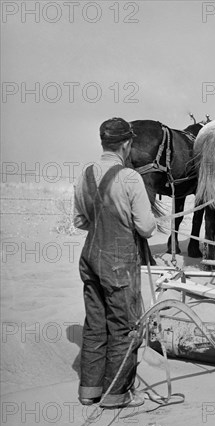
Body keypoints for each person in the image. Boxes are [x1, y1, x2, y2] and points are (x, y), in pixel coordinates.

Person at [73, 117, 156, 408]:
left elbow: (79, 220)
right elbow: (146, 227)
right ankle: (117, 395)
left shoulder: (84, 175)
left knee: (95, 324)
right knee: (124, 327)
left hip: (89, 257)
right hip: (119, 262)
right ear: (126, 144)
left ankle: (89, 390)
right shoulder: (130, 178)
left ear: (103, 142)